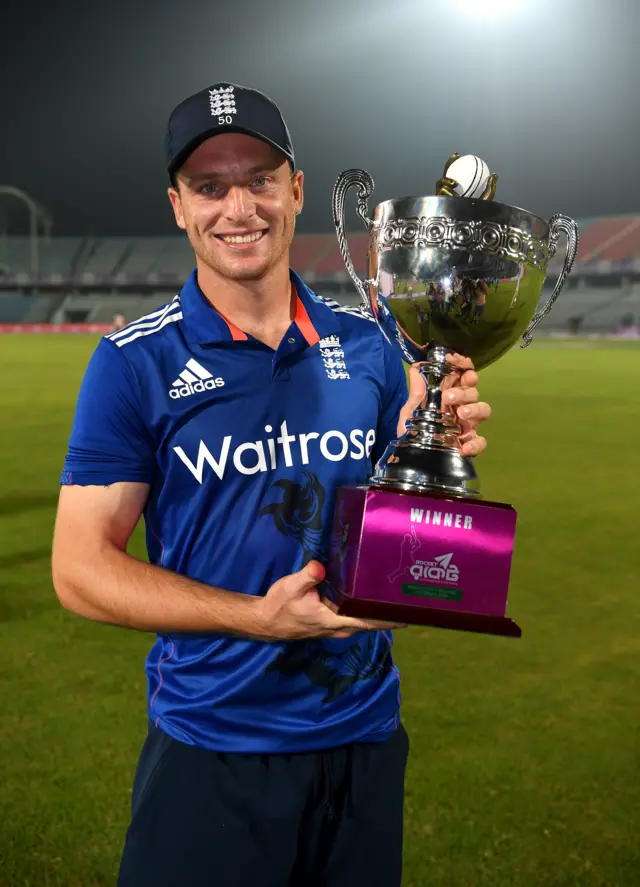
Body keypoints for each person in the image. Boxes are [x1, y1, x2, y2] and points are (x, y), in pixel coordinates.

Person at [52, 82, 492, 887]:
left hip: (363, 737)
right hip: (214, 748)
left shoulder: (375, 344)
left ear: (296, 189)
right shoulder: (132, 363)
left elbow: (409, 531)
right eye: (210, 187)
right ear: (178, 207)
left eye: (259, 178)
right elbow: (79, 567)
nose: (238, 207)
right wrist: (257, 618)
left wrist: (443, 455)